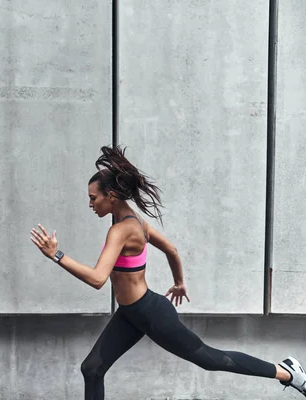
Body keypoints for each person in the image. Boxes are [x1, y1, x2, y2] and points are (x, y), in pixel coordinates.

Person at [30, 145, 306, 399]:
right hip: (130, 314)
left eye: (93, 198)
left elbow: (98, 279)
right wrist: (179, 282)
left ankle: (287, 371)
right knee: (92, 368)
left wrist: (56, 254)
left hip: (151, 314)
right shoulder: (135, 221)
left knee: (210, 359)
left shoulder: (121, 229)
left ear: (110, 196)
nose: (90, 204)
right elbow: (172, 250)